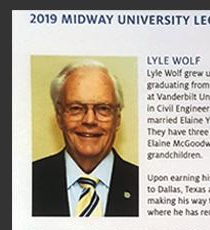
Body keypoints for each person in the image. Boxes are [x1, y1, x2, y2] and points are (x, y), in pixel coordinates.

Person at [33, 60, 138, 216]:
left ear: (118, 119)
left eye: (103, 109)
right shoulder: (27, 181)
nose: (89, 120)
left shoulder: (145, 185)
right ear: (59, 117)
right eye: (76, 108)